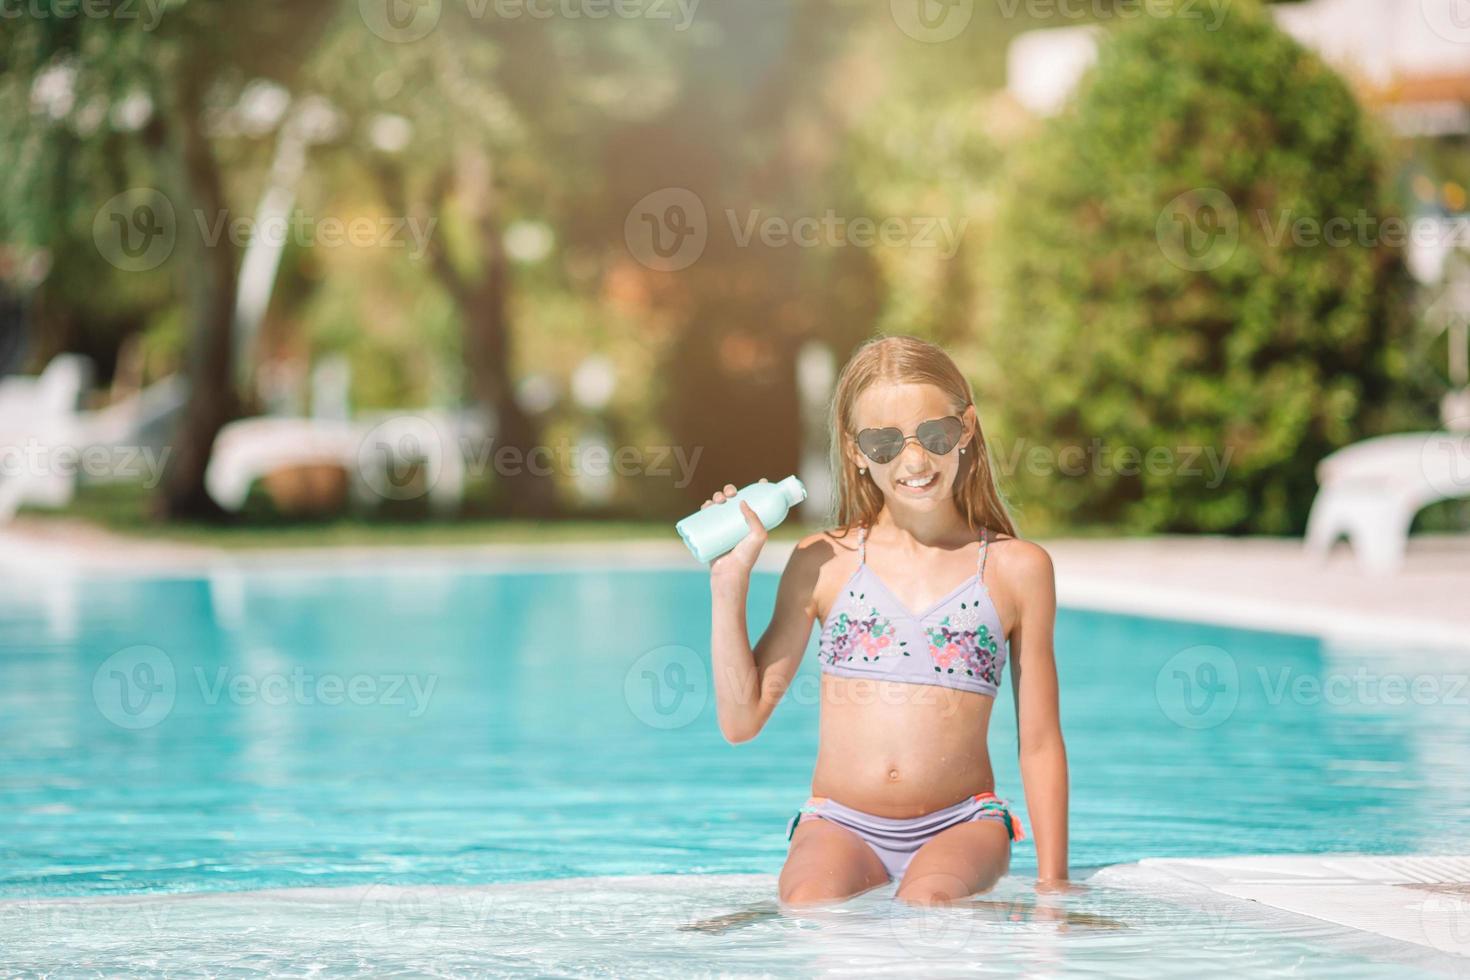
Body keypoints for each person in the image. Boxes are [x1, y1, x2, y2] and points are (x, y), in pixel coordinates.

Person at [702, 335, 1068, 906]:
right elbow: (740, 721)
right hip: (840, 824)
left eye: (936, 435)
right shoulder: (822, 562)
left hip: (963, 825)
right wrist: (729, 584)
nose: (915, 461)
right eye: (884, 442)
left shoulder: (1016, 570)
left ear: (966, 429)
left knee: (928, 911)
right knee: (806, 909)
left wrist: (1054, 888)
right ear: (855, 450)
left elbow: (1040, 743)